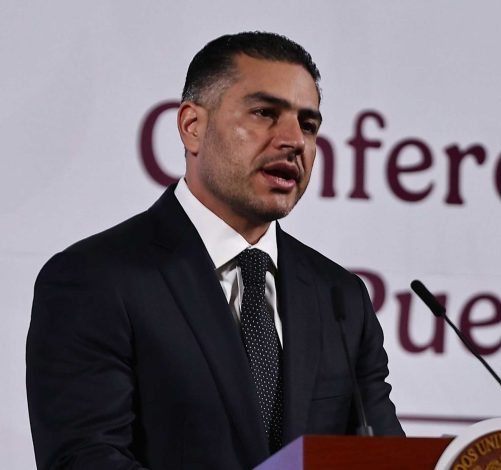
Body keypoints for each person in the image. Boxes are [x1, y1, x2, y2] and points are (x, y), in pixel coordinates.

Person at [26, 31, 403, 470]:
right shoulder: (95, 279)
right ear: (192, 127)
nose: (293, 140)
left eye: (308, 125)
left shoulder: (340, 298)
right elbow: (86, 459)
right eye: (265, 113)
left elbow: (385, 459)